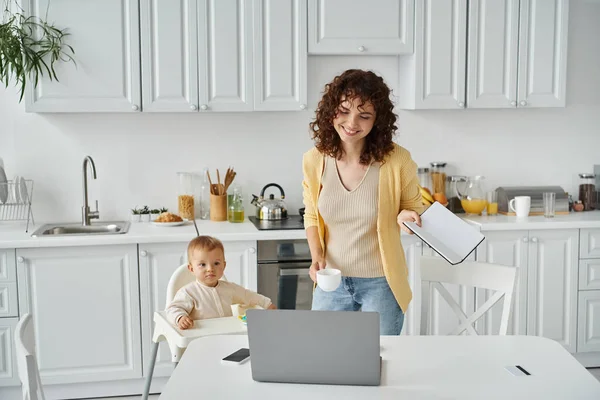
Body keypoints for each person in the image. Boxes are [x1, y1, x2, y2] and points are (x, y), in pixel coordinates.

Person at [302, 69, 423, 335]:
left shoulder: (397, 160)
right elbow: (311, 214)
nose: (352, 122)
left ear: (378, 120)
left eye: (364, 115)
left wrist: (405, 216)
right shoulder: (314, 160)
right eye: (343, 110)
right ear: (330, 110)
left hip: (382, 283)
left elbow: (414, 207)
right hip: (331, 282)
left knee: (382, 361)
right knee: (324, 357)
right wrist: (317, 257)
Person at [166, 235, 275, 330]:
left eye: (216, 263)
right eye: (202, 264)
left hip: (227, 339)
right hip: (200, 341)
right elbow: (173, 309)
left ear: (224, 265)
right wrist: (180, 318)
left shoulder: (229, 289)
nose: (210, 269)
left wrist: (267, 304)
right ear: (191, 268)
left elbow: (248, 296)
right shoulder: (188, 293)